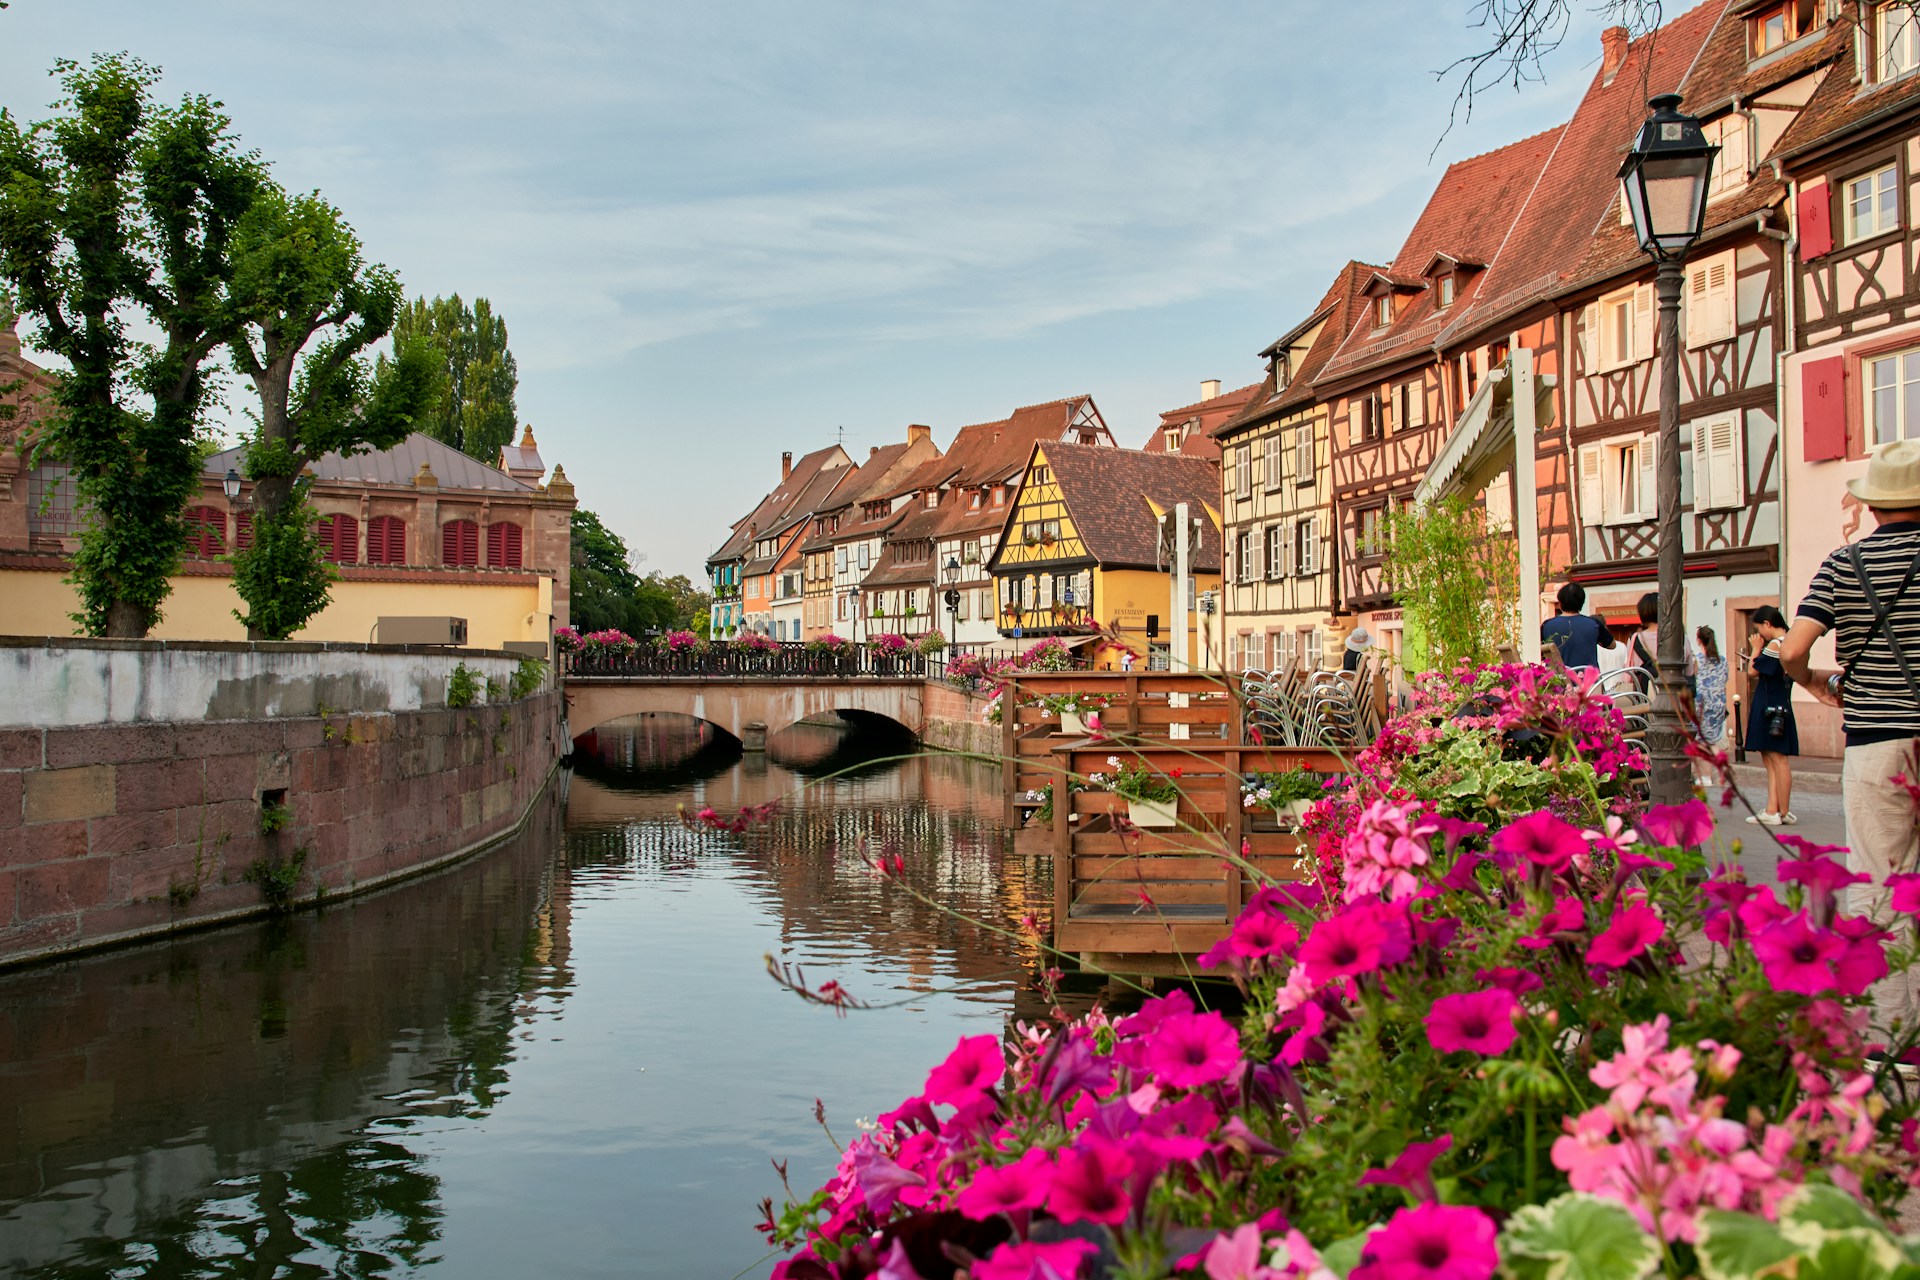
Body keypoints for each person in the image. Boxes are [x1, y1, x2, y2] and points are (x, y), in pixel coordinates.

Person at [1780, 440, 1920, 1032]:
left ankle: (1895, 1034)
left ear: (1872, 506)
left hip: (1877, 743)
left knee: (1883, 883)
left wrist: (1813, 681)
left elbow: (1790, 650)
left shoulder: (1845, 565)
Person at [1741, 606, 1797, 825]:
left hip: (1769, 704)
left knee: (1777, 759)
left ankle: (1778, 811)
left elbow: (1752, 671)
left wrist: (1756, 649)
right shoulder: (1790, 641)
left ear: (1767, 624)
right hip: (1781, 703)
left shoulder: (1775, 644)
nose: (1759, 635)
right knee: (1772, 758)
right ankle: (1776, 808)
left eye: (1760, 629)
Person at [1626, 591, 1697, 703]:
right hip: (1677, 698)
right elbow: (1689, 672)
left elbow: (1629, 672)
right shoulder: (1682, 638)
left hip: (1647, 696)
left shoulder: (1636, 639)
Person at [1540, 582, 1616, 669]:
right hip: (1588, 680)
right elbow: (1612, 645)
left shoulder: (1547, 626)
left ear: (1560, 603)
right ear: (1582, 602)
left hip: (1557, 680)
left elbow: (1539, 652)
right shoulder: (1594, 624)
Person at [1692, 625, 1730, 773]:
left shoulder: (1697, 660)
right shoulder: (1722, 660)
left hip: (1701, 702)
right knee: (1711, 740)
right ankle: (1716, 766)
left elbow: (1692, 678)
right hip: (1718, 702)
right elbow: (1725, 679)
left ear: (1699, 640)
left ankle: (1705, 774)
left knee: (1700, 740)